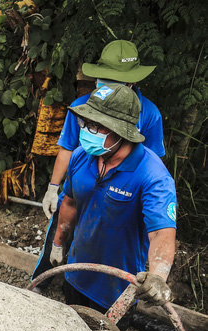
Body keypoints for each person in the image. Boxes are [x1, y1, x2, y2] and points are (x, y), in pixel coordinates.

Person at [34, 40, 165, 287]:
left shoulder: (148, 114)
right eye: (105, 79)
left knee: (107, 247)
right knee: (60, 231)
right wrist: (53, 188)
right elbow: (67, 148)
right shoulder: (82, 108)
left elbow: (152, 162)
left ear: (131, 82)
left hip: (118, 193)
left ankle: (97, 293)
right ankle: (43, 283)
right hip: (80, 183)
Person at [50, 83, 176, 323]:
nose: (87, 130)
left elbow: (161, 233)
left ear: (122, 131)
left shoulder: (152, 176)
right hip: (76, 272)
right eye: (85, 123)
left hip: (118, 288)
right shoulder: (81, 156)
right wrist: (58, 243)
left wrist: (158, 275)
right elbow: (70, 203)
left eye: (96, 126)